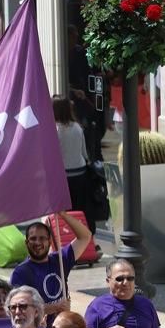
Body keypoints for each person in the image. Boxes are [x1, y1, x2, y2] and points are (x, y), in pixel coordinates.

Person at [10, 213, 92, 326]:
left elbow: (85, 236)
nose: (37, 242)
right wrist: (54, 308)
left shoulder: (60, 260)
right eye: (33, 238)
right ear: (26, 243)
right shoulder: (20, 272)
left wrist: (62, 214)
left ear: (49, 241)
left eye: (42, 238)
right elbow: (19, 308)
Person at [53, 95, 96, 234]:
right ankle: (87, 238)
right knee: (81, 210)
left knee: (66, 212)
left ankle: (69, 238)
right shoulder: (77, 127)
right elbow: (84, 153)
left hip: (64, 177)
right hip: (81, 173)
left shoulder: (55, 130)